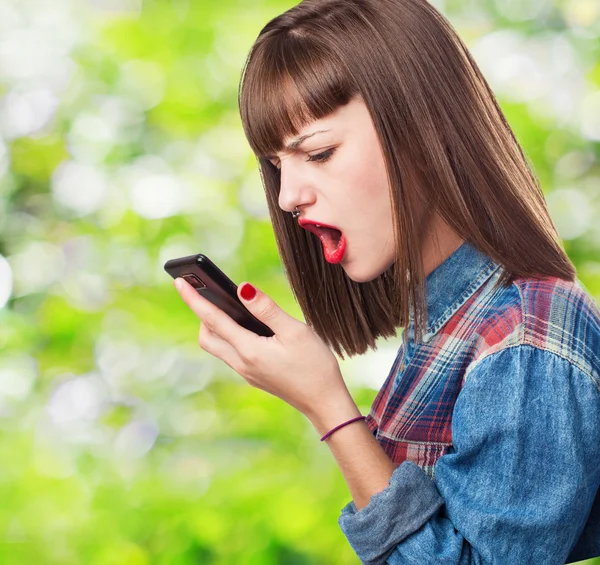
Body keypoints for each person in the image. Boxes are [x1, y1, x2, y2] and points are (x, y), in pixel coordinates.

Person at [173, 0, 600, 563]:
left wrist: (329, 407)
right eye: (278, 165)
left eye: (319, 153)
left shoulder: (523, 341)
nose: (287, 197)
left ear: (423, 127)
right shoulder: (445, 322)